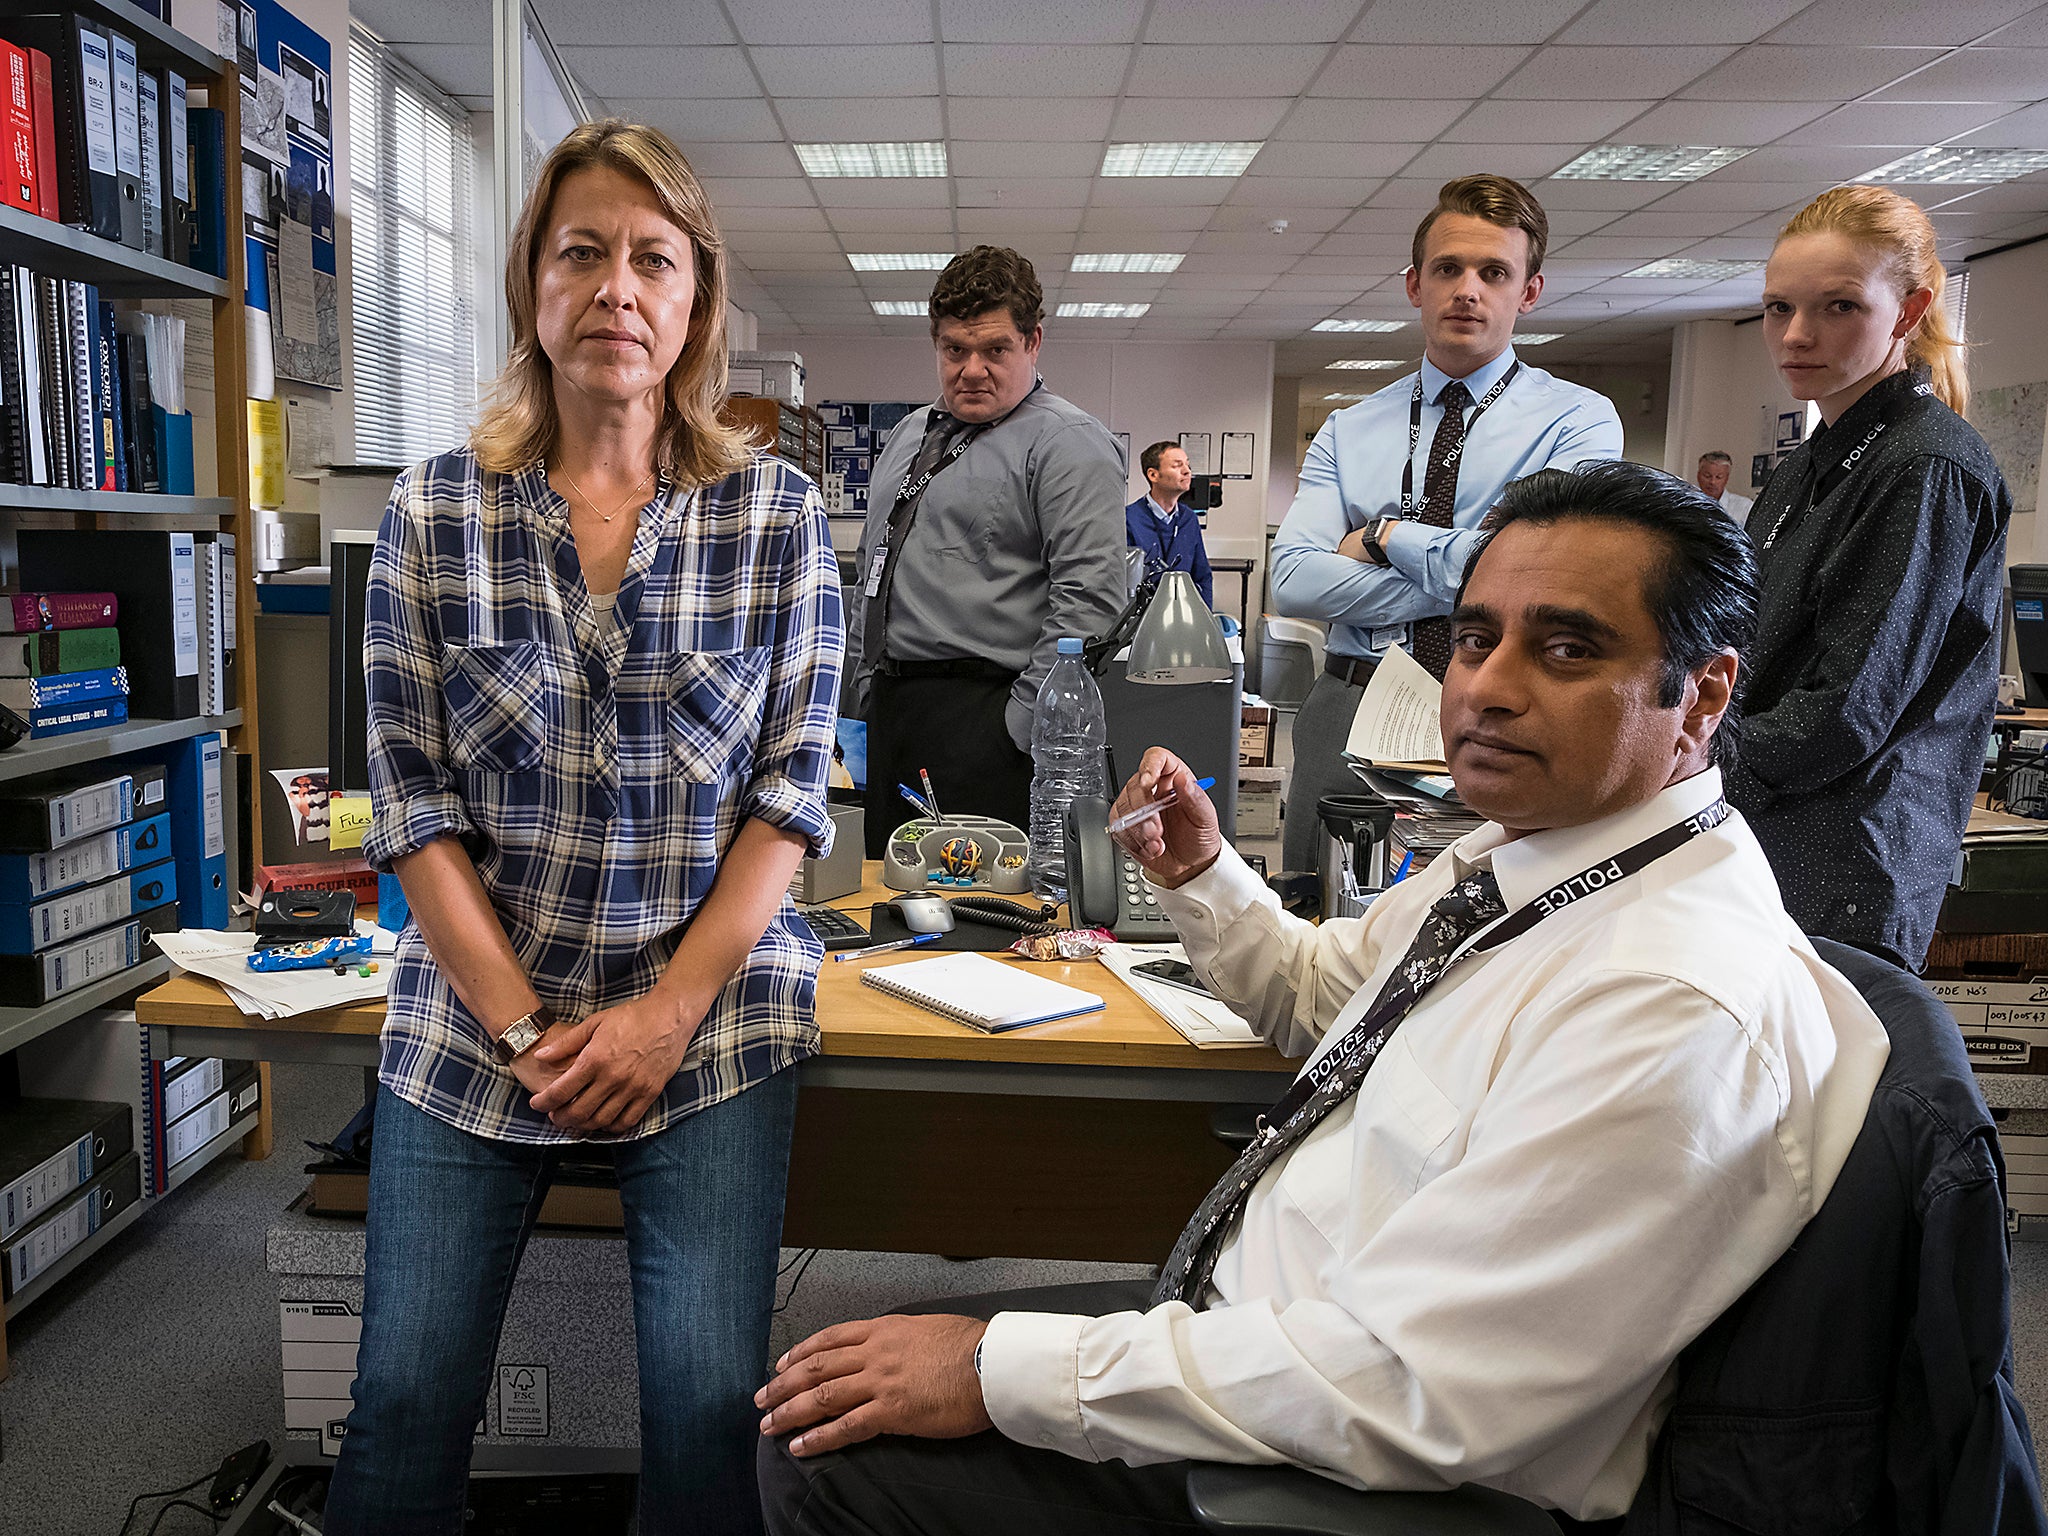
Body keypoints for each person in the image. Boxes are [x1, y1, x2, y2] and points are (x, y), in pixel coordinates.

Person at [755, 462, 1889, 1531]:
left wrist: (998, 1369)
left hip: (1354, 1463)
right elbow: (1326, 1002)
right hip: (1269, 1334)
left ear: (1699, 696)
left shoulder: (1668, 1001)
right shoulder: (1542, 857)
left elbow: (1409, 1384)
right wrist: (1202, 878)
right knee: (844, 1379)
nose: (1486, 689)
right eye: (1474, 639)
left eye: (1565, 650)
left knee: (824, 1457)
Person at [325, 121, 841, 1536]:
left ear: (693, 304)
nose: (617, 286)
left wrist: (665, 1018)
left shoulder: (776, 517)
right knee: (408, 1403)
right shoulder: (435, 510)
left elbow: (791, 798)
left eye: (652, 260)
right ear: (533, 291)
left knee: (700, 1414)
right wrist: (519, 1032)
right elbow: (412, 804)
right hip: (485, 1026)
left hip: (705, 1024)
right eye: (582, 252)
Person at [1270, 175, 1624, 875]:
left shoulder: (1578, 420)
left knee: (1482, 937)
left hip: (1502, 704)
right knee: (1315, 917)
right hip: (1351, 702)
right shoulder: (1349, 428)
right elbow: (1292, 580)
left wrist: (1382, 539)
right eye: (1448, 269)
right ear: (1414, 285)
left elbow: (1541, 573)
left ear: (1529, 292)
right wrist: (1476, 581)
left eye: (1494, 272)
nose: (1469, 289)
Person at [1727, 185, 2011, 970]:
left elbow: (1847, 710)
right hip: (1769, 836)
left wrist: (1675, 761)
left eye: (1839, 307)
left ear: (1911, 309)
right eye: (1778, 308)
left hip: (1844, 860)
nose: (1797, 335)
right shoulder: (1814, 464)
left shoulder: (1924, 464)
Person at [844, 246, 1128, 857]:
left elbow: (1091, 602)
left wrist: (1018, 729)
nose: (972, 370)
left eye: (994, 350)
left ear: (1033, 343)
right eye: (954, 350)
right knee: (891, 906)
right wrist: (868, 697)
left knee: (981, 924)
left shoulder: (1068, 444)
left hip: (990, 720)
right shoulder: (910, 434)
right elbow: (875, 565)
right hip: (896, 716)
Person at [1126, 440, 1213, 607]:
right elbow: (1125, 583)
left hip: (1183, 616)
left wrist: (1206, 620)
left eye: (1187, 465)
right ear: (1153, 475)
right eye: (1177, 466)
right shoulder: (1129, 519)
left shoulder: (1189, 520)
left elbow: (1202, 577)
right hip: (1141, 620)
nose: (1187, 471)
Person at [1694, 450, 1753, 527]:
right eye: (1707, 476)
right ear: (1698, 476)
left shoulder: (1744, 507)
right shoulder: (1686, 504)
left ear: (1726, 478)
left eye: (1719, 477)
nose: (1712, 482)